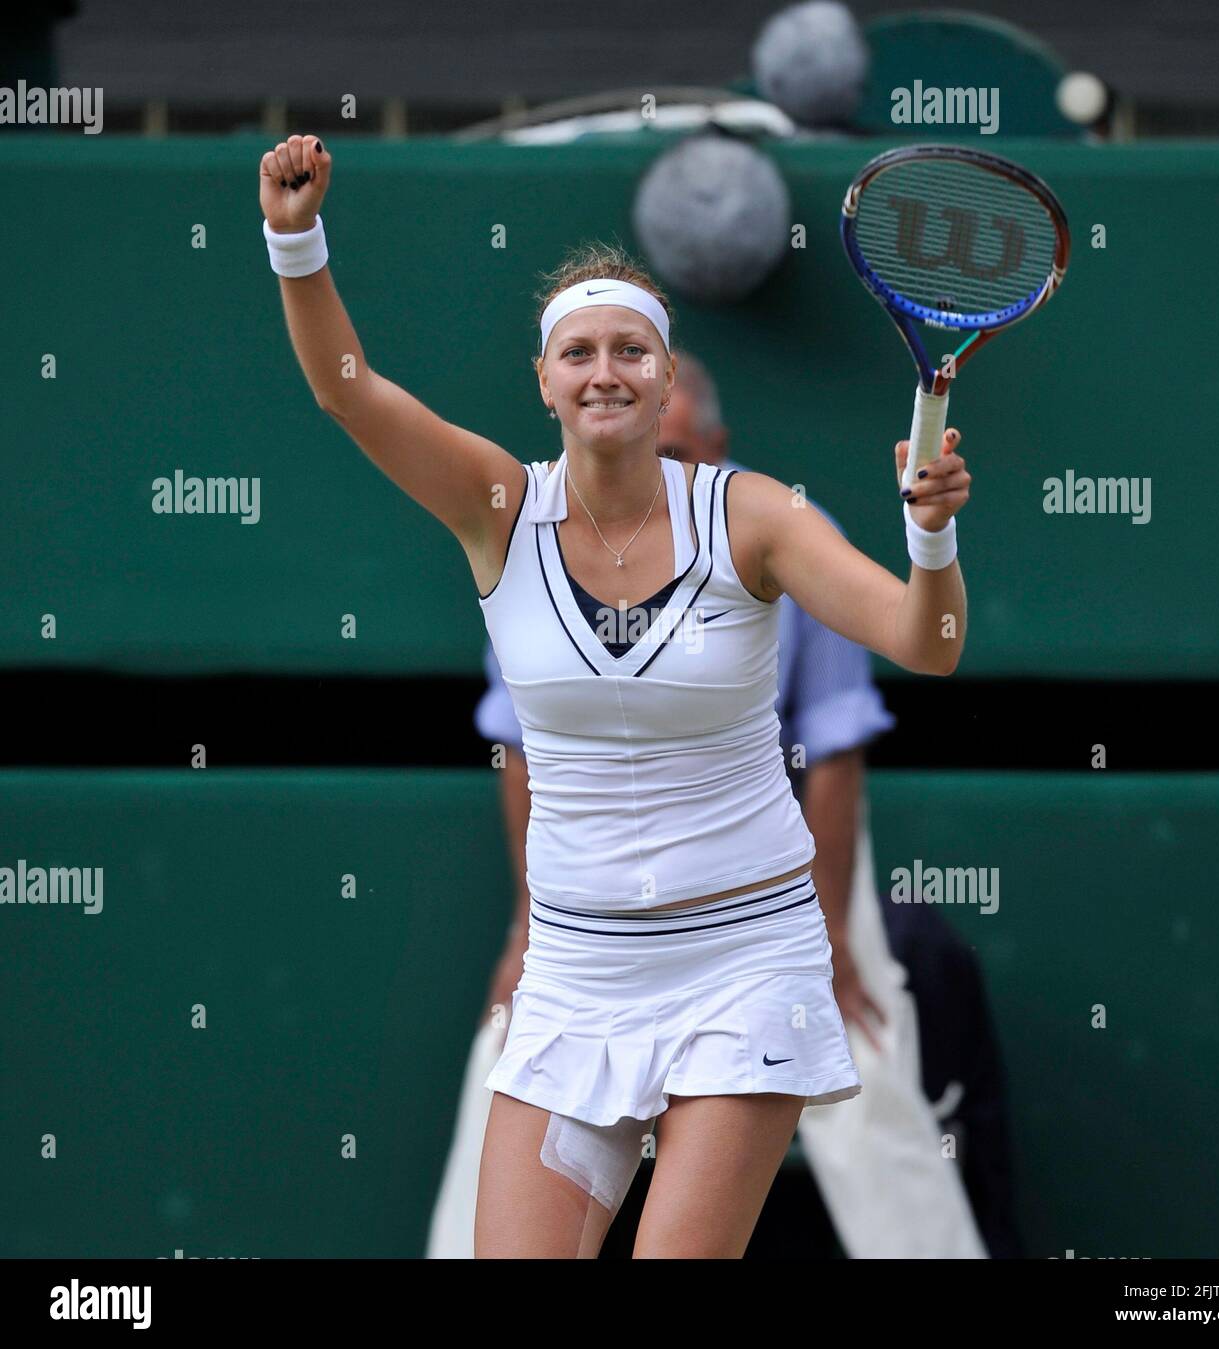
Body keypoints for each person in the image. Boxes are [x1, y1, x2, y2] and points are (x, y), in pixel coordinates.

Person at [259, 134, 971, 1258]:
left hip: (745, 964)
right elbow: (350, 395)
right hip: (576, 977)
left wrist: (930, 535)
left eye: (633, 350)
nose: (606, 370)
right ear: (543, 381)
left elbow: (924, 644)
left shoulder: (755, 517)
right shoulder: (496, 505)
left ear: (666, 375)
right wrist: (294, 238)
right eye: (580, 349)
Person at [427, 352, 987, 1259]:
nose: (655, 461)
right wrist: (527, 922)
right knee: (499, 1062)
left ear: (715, 447)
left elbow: (837, 749)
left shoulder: (772, 526)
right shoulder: (527, 539)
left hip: (774, 869)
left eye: (678, 445)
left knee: (867, 1064)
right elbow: (524, 752)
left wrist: (834, 935)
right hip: (588, 898)